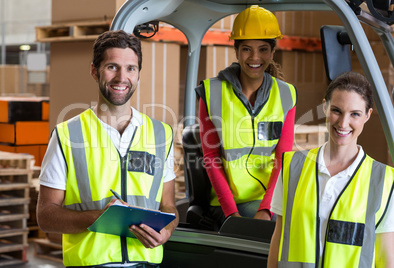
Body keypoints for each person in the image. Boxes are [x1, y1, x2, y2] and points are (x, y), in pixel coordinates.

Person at [37, 30, 179, 268]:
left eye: (131, 68)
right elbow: (46, 217)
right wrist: (98, 218)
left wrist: (166, 230)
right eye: (112, 67)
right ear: (94, 71)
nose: (121, 77)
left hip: (147, 264)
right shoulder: (67, 135)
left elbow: (169, 206)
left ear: (138, 74)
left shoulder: (161, 134)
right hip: (91, 264)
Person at [268, 71, 394, 267]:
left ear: (367, 116)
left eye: (355, 114)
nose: (343, 123)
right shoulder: (292, 167)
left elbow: (385, 257)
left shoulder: (383, 180)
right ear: (325, 107)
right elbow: (279, 238)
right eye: (336, 110)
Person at [195, 5, 297, 226]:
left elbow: (282, 160)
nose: (255, 57)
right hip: (226, 203)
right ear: (237, 51)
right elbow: (211, 159)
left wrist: (267, 208)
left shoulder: (286, 95)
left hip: (267, 199)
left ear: (272, 52)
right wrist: (232, 214)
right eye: (246, 49)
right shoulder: (211, 93)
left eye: (263, 49)